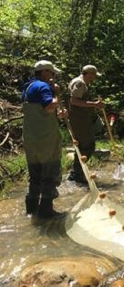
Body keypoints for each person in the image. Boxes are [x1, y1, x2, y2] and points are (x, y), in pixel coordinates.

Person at [22, 60, 67, 218]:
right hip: (46, 140)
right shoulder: (43, 86)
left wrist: (58, 113)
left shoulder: (28, 87)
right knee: (50, 174)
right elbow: (48, 107)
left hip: (30, 138)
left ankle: (31, 210)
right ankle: (46, 211)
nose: (53, 76)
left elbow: (42, 110)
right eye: (52, 73)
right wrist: (55, 93)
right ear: (44, 73)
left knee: (35, 176)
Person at [67, 65, 104, 184]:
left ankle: (77, 172)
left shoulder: (79, 82)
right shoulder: (80, 83)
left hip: (81, 118)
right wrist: (94, 104)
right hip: (79, 119)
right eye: (94, 76)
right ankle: (76, 173)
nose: (94, 79)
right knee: (88, 146)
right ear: (88, 73)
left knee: (83, 145)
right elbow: (74, 101)